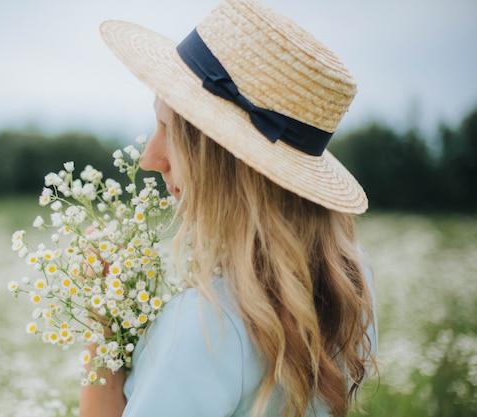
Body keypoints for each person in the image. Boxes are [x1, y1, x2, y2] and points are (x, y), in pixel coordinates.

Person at [80, 0, 377, 416]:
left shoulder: (205, 327)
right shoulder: (352, 285)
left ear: (222, 158)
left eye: (168, 129)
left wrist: (101, 322)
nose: (149, 157)